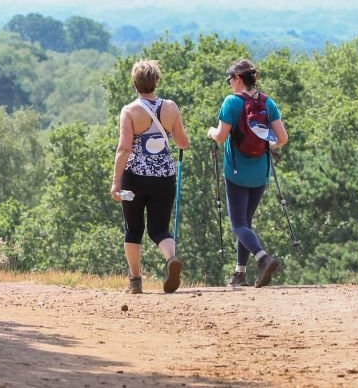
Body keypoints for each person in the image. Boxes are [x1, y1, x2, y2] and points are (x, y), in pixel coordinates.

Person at [207, 59, 288, 288]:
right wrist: (267, 147)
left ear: (238, 78)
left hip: (236, 171)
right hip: (260, 172)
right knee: (246, 224)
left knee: (238, 225)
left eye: (229, 79)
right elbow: (282, 138)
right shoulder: (267, 102)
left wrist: (211, 132)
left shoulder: (231, 102)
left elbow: (221, 137)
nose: (229, 84)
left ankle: (263, 258)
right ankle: (240, 274)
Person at [111, 59, 189, 294]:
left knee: (133, 229)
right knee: (159, 229)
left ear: (135, 83)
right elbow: (183, 142)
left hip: (134, 177)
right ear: (156, 81)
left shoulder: (130, 111)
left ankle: (135, 281)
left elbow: (124, 148)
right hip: (164, 176)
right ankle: (170, 259)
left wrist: (116, 182)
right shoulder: (171, 107)